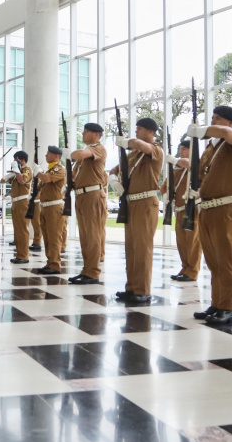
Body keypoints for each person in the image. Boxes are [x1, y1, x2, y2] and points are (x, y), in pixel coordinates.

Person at [188, 106, 232, 325]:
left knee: (224, 259)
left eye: (219, 119)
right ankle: (216, 303)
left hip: (226, 208)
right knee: (212, 260)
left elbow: (226, 134)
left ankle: (227, 307)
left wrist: (204, 129)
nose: (213, 122)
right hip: (207, 207)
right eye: (212, 118)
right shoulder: (212, 148)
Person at [111, 117, 164, 304]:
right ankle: (131, 287)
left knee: (142, 248)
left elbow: (142, 146)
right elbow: (115, 169)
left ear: (151, 132)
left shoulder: (155, 150)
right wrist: (112, 178)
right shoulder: (133, 154)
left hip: (146, 202)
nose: (136, 131)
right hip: (130, 203)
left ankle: (142, 290)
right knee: (131, 248)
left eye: (139, 128)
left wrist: (126, 142)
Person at [64, 123, 107, 284]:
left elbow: (80, 154)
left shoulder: (97, 148)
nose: (83, 133)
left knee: (93, 235)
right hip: (82, 195)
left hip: (93, 195)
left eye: (86, 131)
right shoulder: (86, 155)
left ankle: (93, 272)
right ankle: (87, 270)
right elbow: (75, 172)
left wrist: (70, 153)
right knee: (85, 236)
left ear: (96, 134)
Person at [163, 140, 203, 282]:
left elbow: (188, 163)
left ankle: (192, 271)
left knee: (193, 241)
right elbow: (165, 186)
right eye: (180, 148)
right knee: (182, 241)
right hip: (179, 209)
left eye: (184, 149)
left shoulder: (196, 165)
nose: (181, 151)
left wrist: (174, 160)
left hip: (193, 208)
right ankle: (185, 268)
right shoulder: (178, 169)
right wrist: (166, 197)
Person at [35, 146, 67, 275]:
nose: (45, 155)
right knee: (47, 237)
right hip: (46, 206)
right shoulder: (50, 169)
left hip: (54, 207)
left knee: (54, 236)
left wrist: (38, 172)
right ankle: (50, 262)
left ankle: (55, 264)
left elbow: (47, 179)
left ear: (56, 156)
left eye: (48, 153)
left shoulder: (59, 168)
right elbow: (42, 186)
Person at [4, 151, 33, 264]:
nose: (13, 163)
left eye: (15, 160)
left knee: (23, 230)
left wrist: (16, 170)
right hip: (15, 202)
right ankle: (19, 254)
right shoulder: (18, 171)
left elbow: (22, 181)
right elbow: (4, 180)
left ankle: (24, 256)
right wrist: (11, 174)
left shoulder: (26, 170)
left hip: (22, 202)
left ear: (21, 160)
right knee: (18, 230)